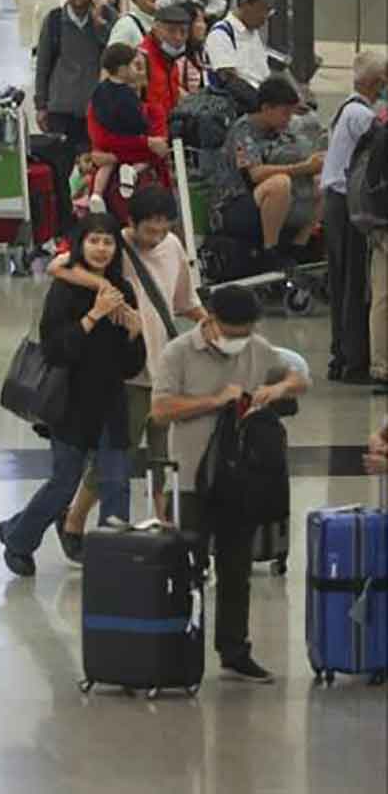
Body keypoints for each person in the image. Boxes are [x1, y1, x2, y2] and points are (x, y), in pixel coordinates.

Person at [151, 284, 309, 682]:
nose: (240, 340)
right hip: (190, 477)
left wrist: (279, 387)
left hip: (240, 478)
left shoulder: (257, 348)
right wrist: (215, 399)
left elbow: (299, 379)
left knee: (237, 568)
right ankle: (174, 651)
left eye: (246, 332)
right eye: (233, 332)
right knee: (186, 568)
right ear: (212, 321)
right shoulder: (179, 353)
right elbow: (161, 410)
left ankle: (234, 650)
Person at [46, 187, 211, 558]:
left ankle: (165, 529)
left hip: (167, 370)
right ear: (131, 223)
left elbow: (185, 301)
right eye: (148, 231)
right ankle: (74, 520)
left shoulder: (172, 247)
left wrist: (213, 324)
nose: (156, 238)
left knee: (161, 454)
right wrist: (103, 284)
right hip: (128, 372)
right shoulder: (111, 245)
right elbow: (58, 266)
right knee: (117, 454)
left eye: (162, 230)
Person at [0, 213, 146, 576]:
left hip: (111, 402)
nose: (100, 248)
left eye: (108, 241)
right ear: (81, 244)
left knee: (116, 483)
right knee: (64, 482)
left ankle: (116, 559)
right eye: (93, 241)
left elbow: (129, 365)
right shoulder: (64, 290)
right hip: (70, 403)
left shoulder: (123, 292)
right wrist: (94, 316)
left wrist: (133, 335)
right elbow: (58, 350)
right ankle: (18, 538)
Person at [211, 76, 323, 273]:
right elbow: (256, 174)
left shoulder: (279, 129)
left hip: (272, 200)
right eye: (284, 113)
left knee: (325, 184)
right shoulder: (243, 130)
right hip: (235, 203)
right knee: (280, 183)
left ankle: (299, 247)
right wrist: (303, 167)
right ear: (266, 109)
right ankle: (269, 250)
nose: (289, 119)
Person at [321, 51, 386, 384]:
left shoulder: (346, 108)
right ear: (377, 81)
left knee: (342, 281)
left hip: (335, 201)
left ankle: (341, 356)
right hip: (350, 205)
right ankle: (353, 360)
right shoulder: (363, 116)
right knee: (354, 284)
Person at [35, 0, 115, 150]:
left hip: (97, 109)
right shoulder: (54, 20)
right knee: (62, 164)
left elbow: (116, 53)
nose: (77, 1)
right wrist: (41, 105)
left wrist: (99, 25)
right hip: (60, 108)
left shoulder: (108, 17)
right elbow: (43, 65)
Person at [84, 42, 169, 215]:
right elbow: (102, 140)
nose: (134, 72)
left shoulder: (154, 110)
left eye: (139, 67)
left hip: (148, 188)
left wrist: (112, 156)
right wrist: (146, 143)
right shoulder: (97, 104)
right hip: (110, 192)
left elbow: (159, 150)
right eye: (132, 66)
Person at [205, 0, 275, 99]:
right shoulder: (221, 34)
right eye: (262, 9)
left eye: (269, 11)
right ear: (244, 3)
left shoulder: (253, 33)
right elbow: (230, 81)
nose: (265, 17)